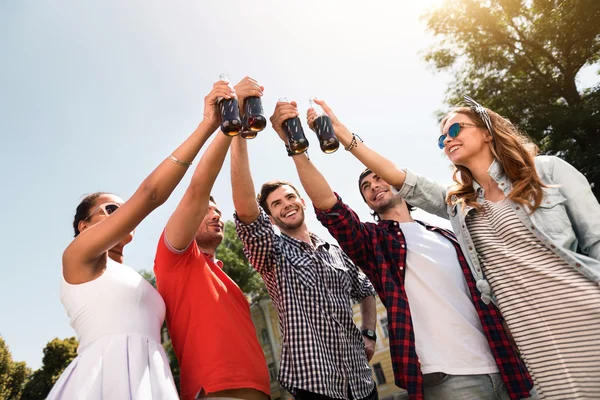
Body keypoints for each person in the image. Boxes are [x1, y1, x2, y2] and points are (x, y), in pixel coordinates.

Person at [310, 97, 600, 399]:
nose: (448, 139)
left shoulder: (547, 171)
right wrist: (346, 138)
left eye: (456, 129)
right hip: (531, 335)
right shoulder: (459, 206)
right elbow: (402, 179)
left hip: (584, 309)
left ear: (488, 131)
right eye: (442, 138)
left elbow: (595, 239)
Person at [264, 100, 533, 400]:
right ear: (366, 203)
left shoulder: (450, 233)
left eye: (379, 178)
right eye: (365, 186)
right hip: (448, 378)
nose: (374, 185)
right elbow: (330, 207)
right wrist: (295, 147)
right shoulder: (374, 243)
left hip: (505, 363)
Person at [47, 80, 233, 400]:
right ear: (83, 225)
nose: (122, 213)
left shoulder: (140, 280)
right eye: (110, 209)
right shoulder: (76, 258)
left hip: (153, 380)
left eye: (123, 209)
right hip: (102, 380)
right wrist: (209, 125)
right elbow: (149, 195)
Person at [230, 93, 379, 400]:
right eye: (276, 205)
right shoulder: (270, 252)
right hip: (315, 386)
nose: (285, 205)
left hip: (362, 383)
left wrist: (369, 332)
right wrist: (239, 133)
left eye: (289, 198)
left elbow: (365, 290)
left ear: (302, 201)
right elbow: (246, 209)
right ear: (270, 218)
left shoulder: (334, 250)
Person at [153, 77, 270, 400]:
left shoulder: (223, 275)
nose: (217, 214)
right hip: (215, 393)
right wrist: (225, 124)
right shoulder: (175, 259)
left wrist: (242, 132)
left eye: (218, 211)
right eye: (208, 209)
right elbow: (197, 188)